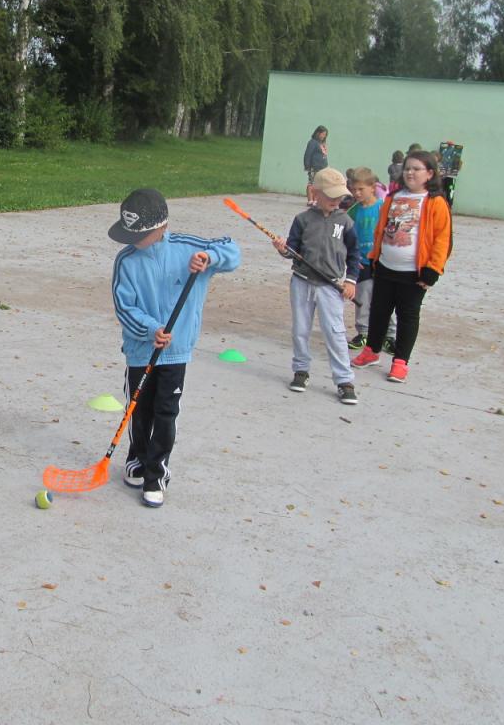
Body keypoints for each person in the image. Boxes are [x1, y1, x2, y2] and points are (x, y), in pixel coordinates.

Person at [109, 188, 241, 508]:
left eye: (140, 235)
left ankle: (156, 474)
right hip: (141, 350)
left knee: (166, 412)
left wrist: (210, 258)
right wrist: (150, 329)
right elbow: (124, 307)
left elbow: (231, 249)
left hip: (176, 352)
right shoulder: (126, 260)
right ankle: (138, 459)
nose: (133, 241)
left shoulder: (189, 248)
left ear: (162, 227)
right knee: (138, 409)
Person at [351, 150, 453, 383]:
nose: (410, 173)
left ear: (429, 173)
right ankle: (371, 351)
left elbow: (442, 239)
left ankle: (400, 362)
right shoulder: (393, 197)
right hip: (385, 267)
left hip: (414, 273)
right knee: (378, 311)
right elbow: (380, 230)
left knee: (407, 316)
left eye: (416, 169)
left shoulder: (435, 202)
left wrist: (432, 270)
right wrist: (375, 258)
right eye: (407, 168)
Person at [271, 168, 360, 405]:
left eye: (339, 195)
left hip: (330, 285)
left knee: (335, 332)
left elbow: (354, 254)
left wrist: (350, 280)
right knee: (300, 329)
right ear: (315, 193)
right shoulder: (302, 220)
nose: (336, 200)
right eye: (330, 195)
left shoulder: (346, 222)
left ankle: (344, 380)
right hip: (302, 281)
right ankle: (301, 370)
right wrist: (283, 249)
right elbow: (293, 251)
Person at [346, 168, 395, 354]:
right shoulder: (353, 212)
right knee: (363, 298)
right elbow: (347, 237)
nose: (357, 193)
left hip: (382, 261)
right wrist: (351, 258)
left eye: (361, 189)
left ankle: (390, 335)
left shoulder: (383, 208)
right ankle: (364, 332)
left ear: (373, 187)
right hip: (362, 263)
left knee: (386, 299)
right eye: (354, 190)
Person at [303, 126, 328, 206]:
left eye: (325, 134)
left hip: (322, 168)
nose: (324, 136)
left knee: (319, 185)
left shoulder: (321, 144)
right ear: (317, 133)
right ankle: (310, 200)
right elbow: (307, 154)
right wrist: (307, 166)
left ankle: (315, 200)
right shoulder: (312, 142)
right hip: (314, 167)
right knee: (311, 183)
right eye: (322, 134)